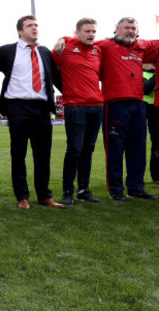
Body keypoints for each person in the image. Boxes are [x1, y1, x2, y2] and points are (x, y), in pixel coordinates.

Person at [56, 17, 159, 200]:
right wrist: (63, 38)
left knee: (138, 147)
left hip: (138, 102)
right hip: (114, 103)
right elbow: (81, 40)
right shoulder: (104, 45)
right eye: (126, 27)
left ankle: (136, 187)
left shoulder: (141, 45)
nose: (130, 31)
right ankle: (116, 190)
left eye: (133, 28)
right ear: (116, 29)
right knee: (115, 148)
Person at [0, 15, 64, 209]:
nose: (35, 28)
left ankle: (44, 196)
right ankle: (22, 197)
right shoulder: (6, 51)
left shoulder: (45, 52)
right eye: (30, 26)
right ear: (20, 30)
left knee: (43, 154)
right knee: (18, 153)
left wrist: (76, 96)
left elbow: (57, 79)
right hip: (17, 107)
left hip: (41, 108)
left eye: (36, 25)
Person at [51, 18, 102, 205]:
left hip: (97, 106)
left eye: (94, 32)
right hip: (75, 106)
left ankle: (83, 190)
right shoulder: (64, 48)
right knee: (74, 149)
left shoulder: (99, 50)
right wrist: (62, 38)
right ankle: (67, 192)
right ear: (77, 32)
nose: (91, 35)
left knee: (88, 150)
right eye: (87, 31)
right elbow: (47, 64)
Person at [142, 64, 159, 183]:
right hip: (141, 107)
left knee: (157, 143)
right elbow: (146, 89)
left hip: (156, 109)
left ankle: (156, 175)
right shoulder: (139, 72)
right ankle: (137, 177)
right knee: (137, 144)